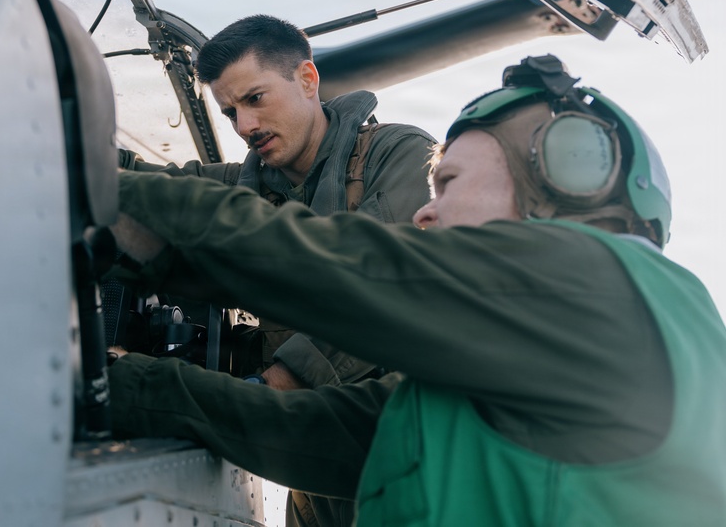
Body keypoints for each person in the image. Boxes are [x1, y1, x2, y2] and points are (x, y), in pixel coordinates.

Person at [105, 54, 726, 525]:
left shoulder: (606, 290)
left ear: (566, 176)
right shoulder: (490, 374)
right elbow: (309, 434)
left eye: (449, 184)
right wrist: (126, 385)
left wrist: (110, 200)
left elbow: (341, 273)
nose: (425, 215)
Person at [117, 14, 434, 527]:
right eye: (229, 112)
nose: (244, 126)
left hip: (403, 456)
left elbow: (386, 289)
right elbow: (158, 187)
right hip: (311, 476)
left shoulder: (399, 156)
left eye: (255, 99)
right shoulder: (251, 184)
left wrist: (268, 391)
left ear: (307, 80)